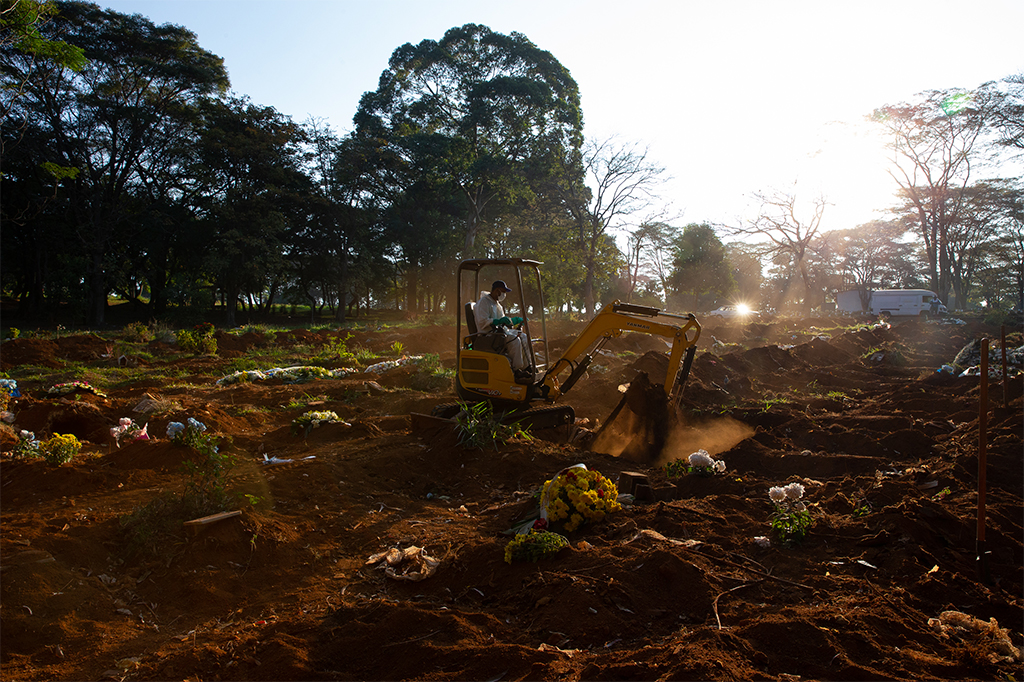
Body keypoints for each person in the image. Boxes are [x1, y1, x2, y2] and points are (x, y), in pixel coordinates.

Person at [474, 280, 532, 376]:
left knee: (523, 336)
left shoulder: (497, 305)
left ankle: (526, 366)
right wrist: (497, 321)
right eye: (503, 292)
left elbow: (504, 320)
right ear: (497, 291)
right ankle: (517, 370)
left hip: (498, 332)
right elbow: (482, 322)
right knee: (515, 340)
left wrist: (515, 320)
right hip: (488, 335)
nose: (504, 295)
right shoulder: (484, 302)